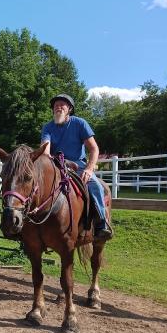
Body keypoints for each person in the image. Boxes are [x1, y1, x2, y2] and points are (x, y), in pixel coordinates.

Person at [41, 94, 112, 239]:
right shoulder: (48, 127)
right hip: (56, 164)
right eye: (55, 106)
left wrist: (89, 168)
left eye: (62, 105)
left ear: (69, 109)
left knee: (95, 186)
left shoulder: (80, 123)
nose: (58, 108)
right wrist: (45, 155)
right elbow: (45, 148)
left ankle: (101, 224)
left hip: (77, 164)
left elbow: (94, 149)